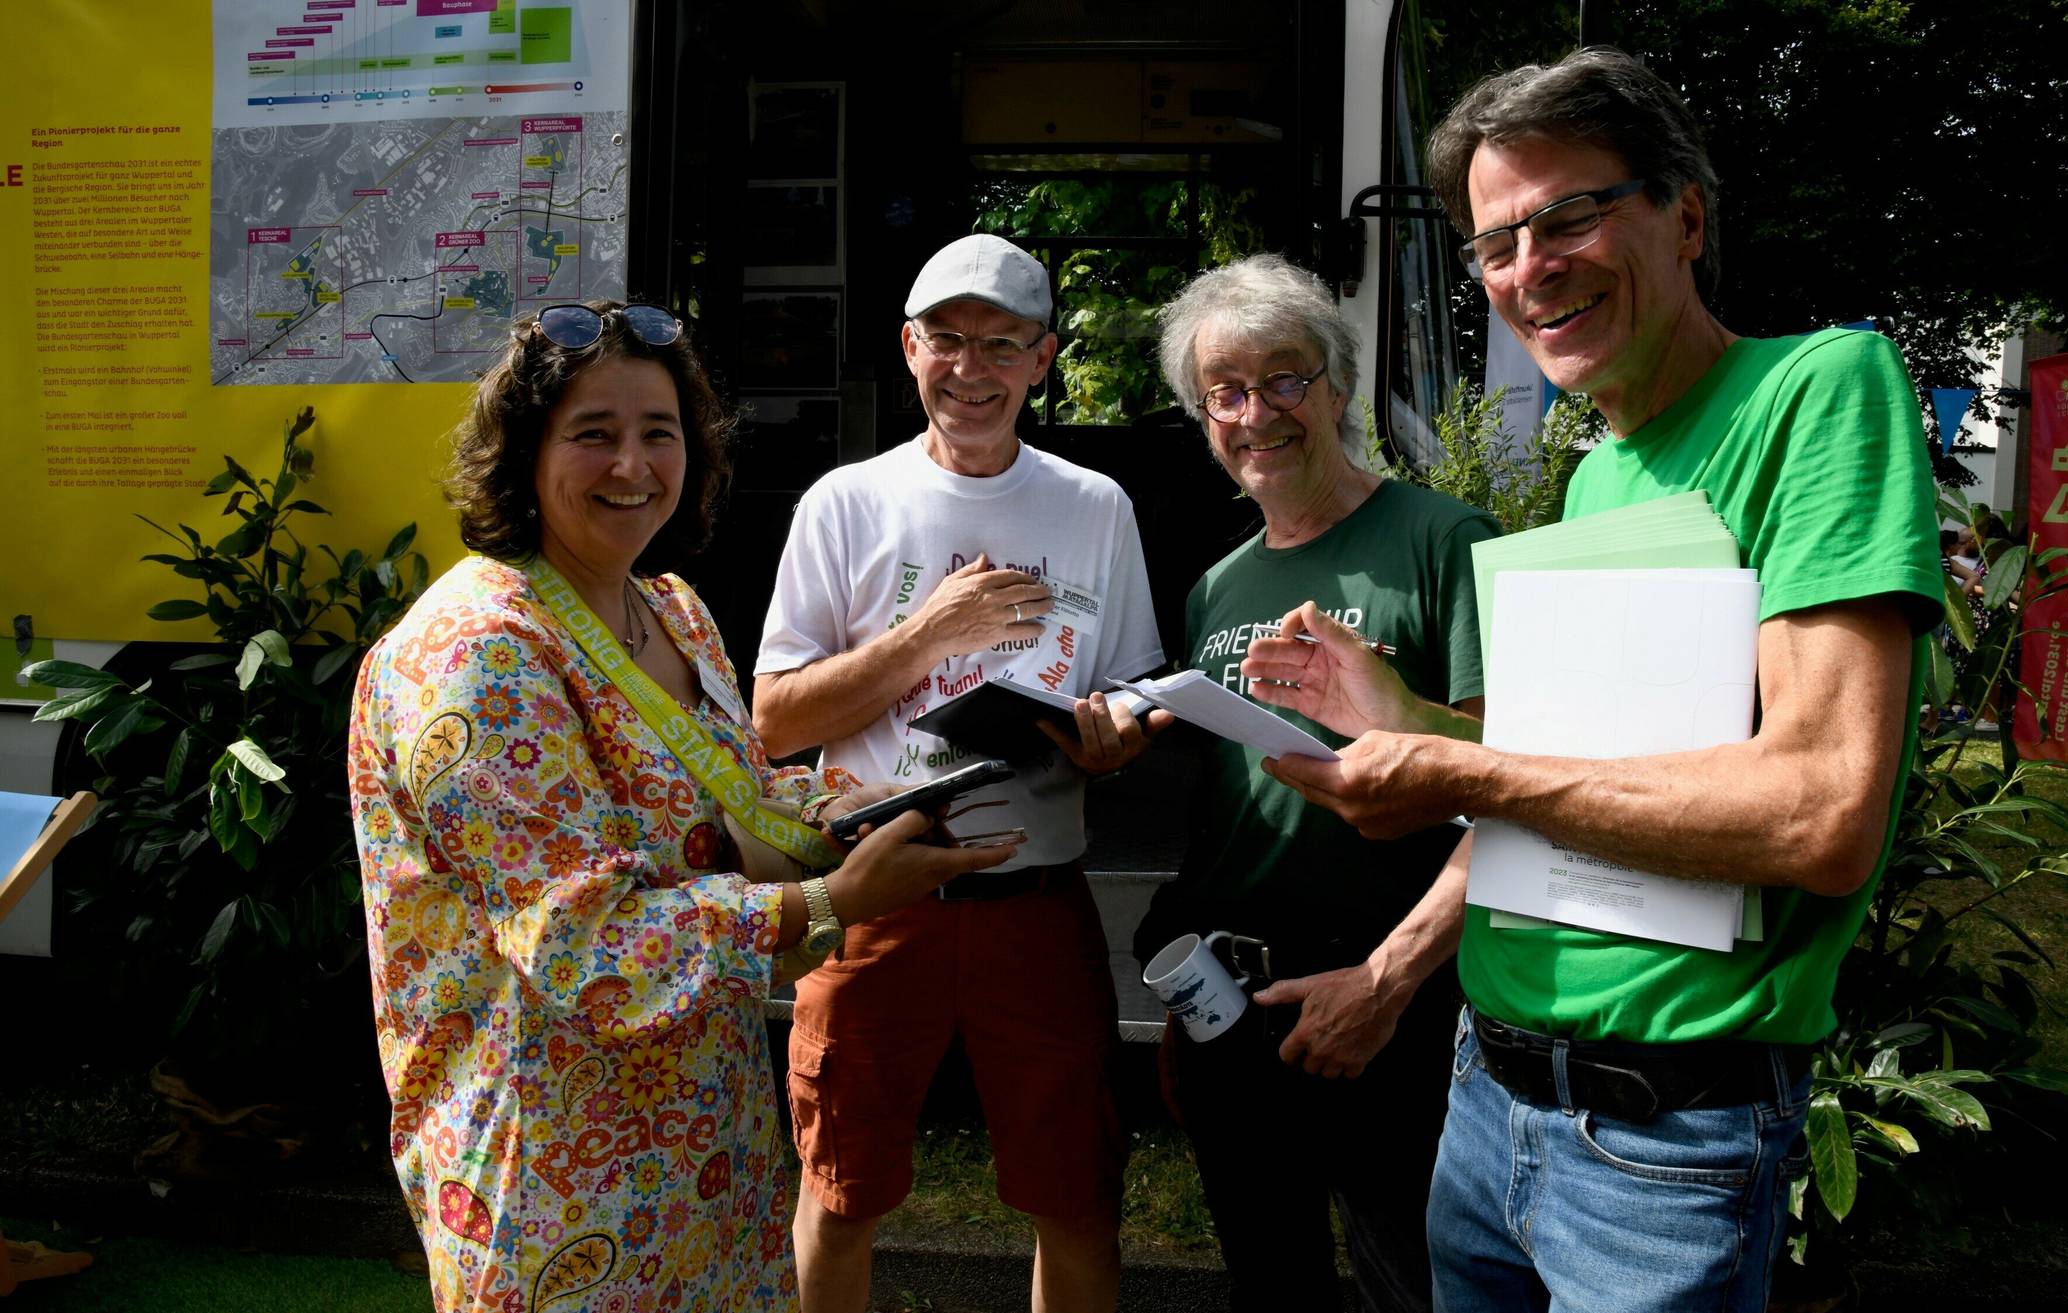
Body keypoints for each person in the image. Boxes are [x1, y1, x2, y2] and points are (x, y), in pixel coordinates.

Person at [1245, 48, 1941, 1312]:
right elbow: (1570, 774)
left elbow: (1822, 813)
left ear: (1686, 216)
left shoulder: (1820, 391)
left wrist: (1453, 767)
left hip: (1659, 1137)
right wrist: (1398, 713)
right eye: (1495, 244)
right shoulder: (1599, 474)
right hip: (1488, 1094)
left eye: (1569, 216)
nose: (1529, 268)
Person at [347, 300, 1013, 1312]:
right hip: (553, 1173)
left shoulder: (670, 608)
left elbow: (730, 792)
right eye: (593, 433)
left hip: (707, 1146)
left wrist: (850, 804)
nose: (633, 465)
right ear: (523, 452)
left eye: (659, 431)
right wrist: (834, 900)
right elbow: (582, 941)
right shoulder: (477, 650)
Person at [752, 234, 1166, 1313]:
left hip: (1039, 898)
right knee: (839, 1190)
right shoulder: (846, 500)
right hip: (874, 895)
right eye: (946, 339)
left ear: (1043, 359)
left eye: (1001, 344)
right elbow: (776, 719)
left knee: (1076, 1196)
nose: (970, 369)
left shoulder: (1096, 505)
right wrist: (928, 634)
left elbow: (1132, 691)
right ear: (909, 347)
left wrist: (1116, 735)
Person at [1132, 254, 1498, 1313]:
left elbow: (1512, 780)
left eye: (1284, 379)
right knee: (1270, 1286)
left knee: (1415, 1289)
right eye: (1225, 393)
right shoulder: (1217, 585)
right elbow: (1230, 807)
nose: (1256, 414)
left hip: (1391, 1000)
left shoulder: (1445, 539)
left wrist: (1387, 981)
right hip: (1233, 1007)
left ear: (1338, 386)